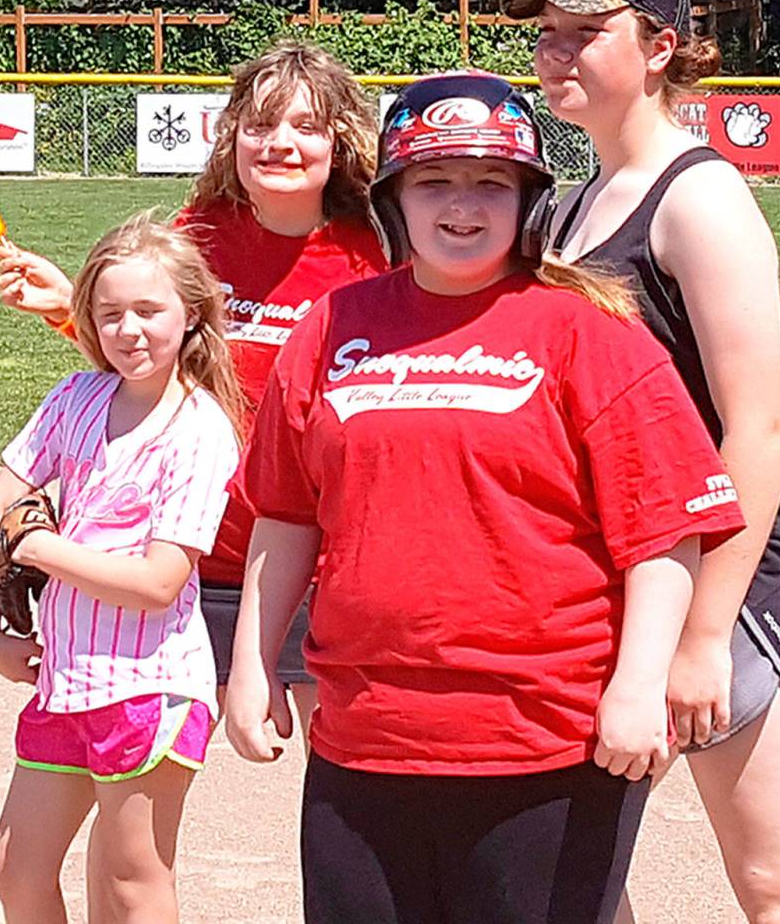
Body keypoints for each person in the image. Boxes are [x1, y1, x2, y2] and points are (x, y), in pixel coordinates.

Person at [224, 72, 746, 924]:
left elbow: (664, 531)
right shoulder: (333, 327)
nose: (461, 205)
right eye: (434, 181)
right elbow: (285, 513)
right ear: (393, 200)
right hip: (365, 740)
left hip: (544, 740)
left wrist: (639, 685)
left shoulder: (589, 332)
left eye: (490, 184)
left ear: (529, 204)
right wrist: (252, 664)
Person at [501, 0, 780, 923]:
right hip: (627, 572)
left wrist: (702, 634)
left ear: (659, 46)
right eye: (544, 34)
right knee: (556, 878)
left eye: (585, 32)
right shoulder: (570, 204)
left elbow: (759, 423)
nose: (554, 53)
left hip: (740, 575)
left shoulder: (695, 196)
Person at [0, 41, 388, 741]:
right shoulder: (197, 234)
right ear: (232, 133)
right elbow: (151, 359)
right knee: (149, 755)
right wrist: (65, 308)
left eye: (305, 126)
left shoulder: (377, 249)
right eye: (260, 124)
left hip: (322, 557)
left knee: (345, 752)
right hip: (193, 550)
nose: (279, 144)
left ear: (340, 140)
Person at [0, 214, 243, 923]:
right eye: (109, 312)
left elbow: (159, 582)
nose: (130, 330)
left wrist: (37, 548)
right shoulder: (77, 398)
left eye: (150, 311)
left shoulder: (200, 429)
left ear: (192, 317)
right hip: (66, 679)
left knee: (129, 881)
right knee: (12, 863)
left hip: (149, 685)